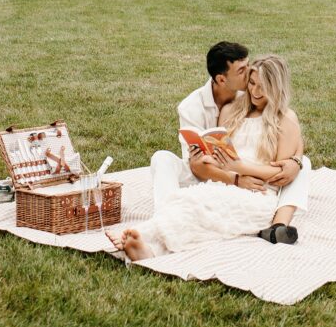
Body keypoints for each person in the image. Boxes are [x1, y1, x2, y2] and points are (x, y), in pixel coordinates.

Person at [107, 55, 309, 260]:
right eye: (252, 83)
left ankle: (142, 233)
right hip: (225, 184)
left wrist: (240, 166)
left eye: (263, 87)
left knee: (199, 207)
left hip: (260, 194)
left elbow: (279, 173)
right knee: (192, 203)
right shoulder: (232, 111)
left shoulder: (285, 119)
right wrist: (206, 157)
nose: (255, 92)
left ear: (276, 88)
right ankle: (148, 250)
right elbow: (221, 158)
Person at [150, 41, 310, 241]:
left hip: (252, 178)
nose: (252, 85)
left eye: (248, 67)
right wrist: (235, 178)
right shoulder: (192, 108)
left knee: (304, 163)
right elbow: (197, 167)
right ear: (221, 79)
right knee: (162, 159)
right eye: (243, 72)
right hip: (207, 173)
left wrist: (296, 159)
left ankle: (279, 223)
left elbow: (288, 130)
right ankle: (163, 217)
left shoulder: (251, 92)